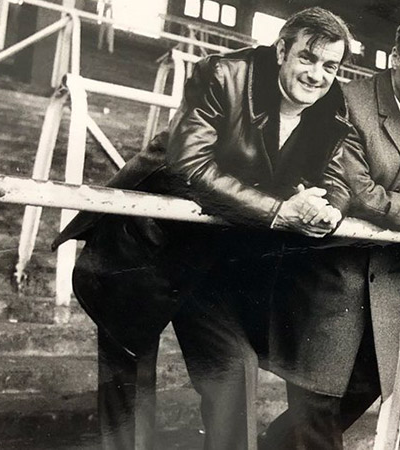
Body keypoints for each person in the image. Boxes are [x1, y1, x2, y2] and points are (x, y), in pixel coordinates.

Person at [51, 7, 353, 449]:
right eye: (307, 58)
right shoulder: (223, 74)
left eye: (330, 65)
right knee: (130, 395)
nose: (317, 75)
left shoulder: (332, 103)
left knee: (234, 371)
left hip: (211, 261)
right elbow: (189, 166)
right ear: (282, 50)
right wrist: (277, 211)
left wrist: (328, 209)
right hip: (143, 248)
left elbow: (338, 176)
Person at [257, 12, 400, 449]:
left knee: (367, 385)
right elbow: (357, 190)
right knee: (319, 406)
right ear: (393, 60)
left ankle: (274, 442)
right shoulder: (348, 99)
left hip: (386, 281)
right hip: (327, 273)